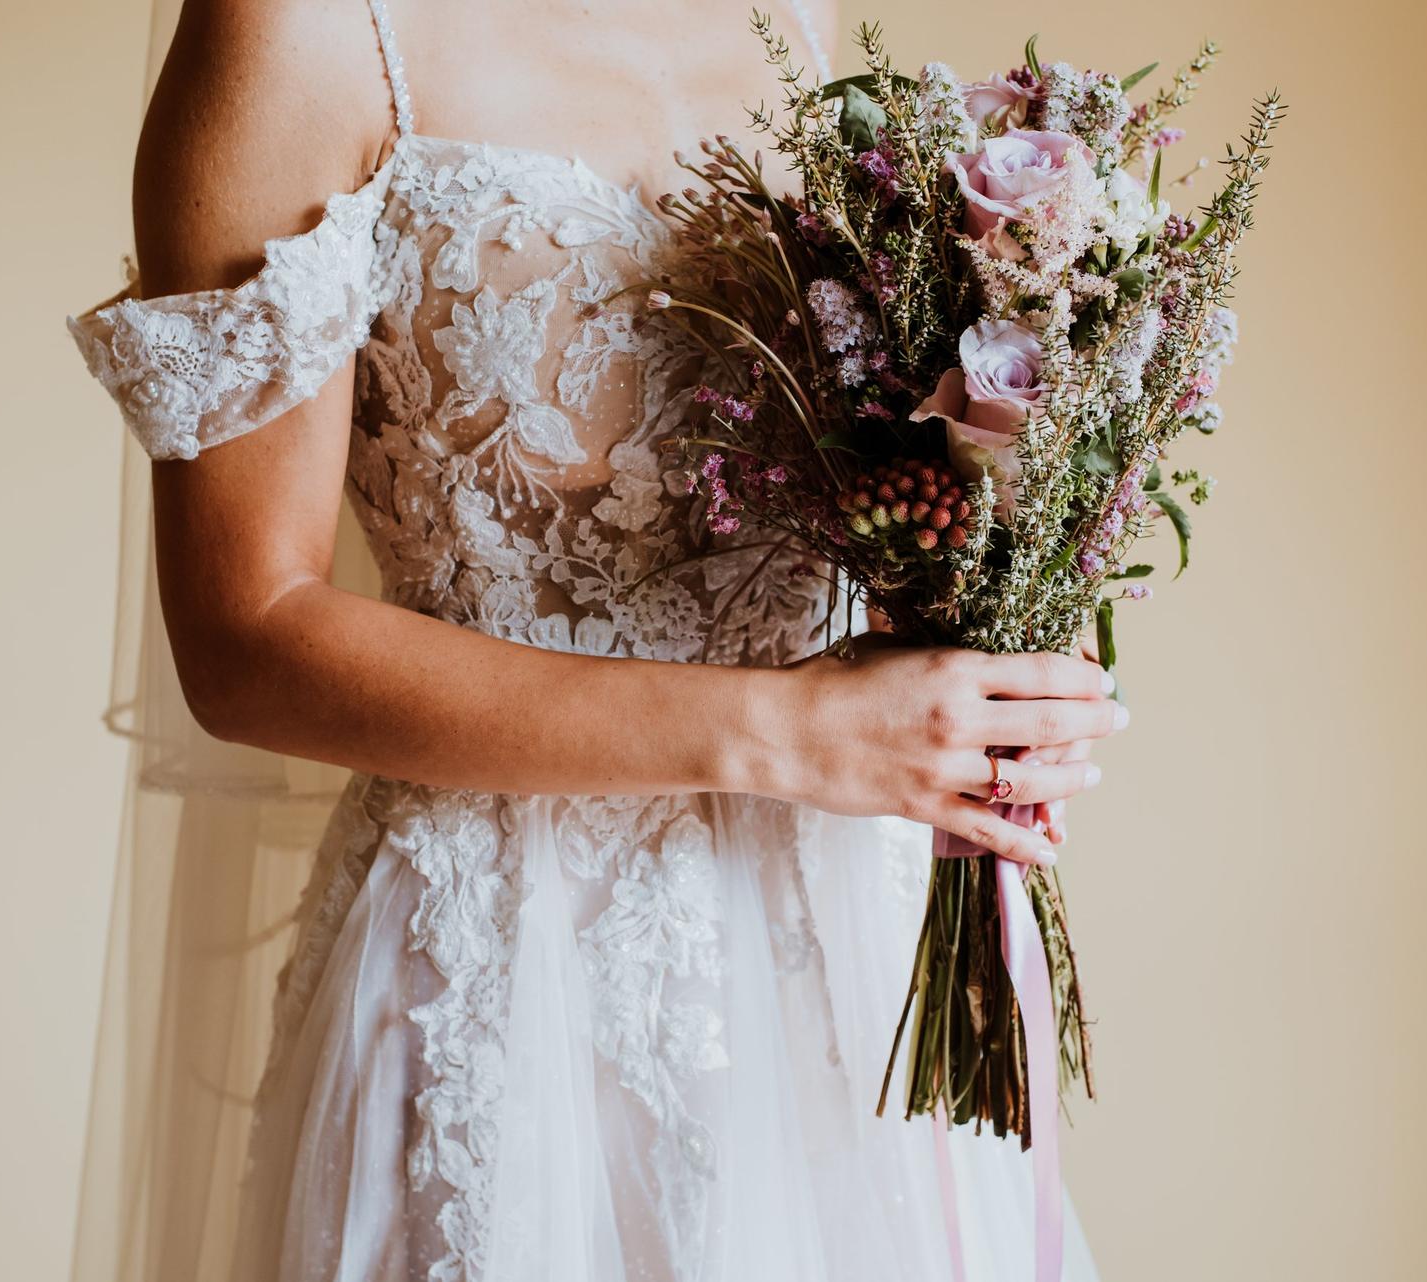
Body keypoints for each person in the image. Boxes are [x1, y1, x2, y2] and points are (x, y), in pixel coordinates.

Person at [65, 1, 1120, 1277]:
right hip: (512, 973)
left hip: (841, 953)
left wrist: (976, 647)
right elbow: (244, 638)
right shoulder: (304, 28)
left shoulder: (791, 15)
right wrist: (789, 731)